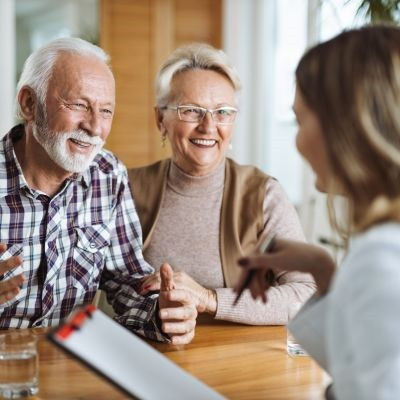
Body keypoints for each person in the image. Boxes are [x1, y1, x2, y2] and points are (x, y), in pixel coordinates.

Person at [236, 25, 400, 399]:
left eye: (300, 119)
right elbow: (360, 364)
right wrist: (325, 273)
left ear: (345, 125)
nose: (298, 141)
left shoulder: (382, 259)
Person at [0, 37, 197, 345]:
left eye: (105, 111)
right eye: (78, 105)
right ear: (29, 104)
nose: (94, 127)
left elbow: (127, 280)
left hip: (71, 365)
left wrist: (161, 312)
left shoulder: (107, 174)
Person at [131, 43, 316, 325]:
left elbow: (307, 294)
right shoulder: (126, 189)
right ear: (160, 119)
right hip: (152, 355)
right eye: (191, 110)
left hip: (237, 362)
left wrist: (209, 298)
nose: (208, 126)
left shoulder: (264, 194)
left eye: (223, 112)